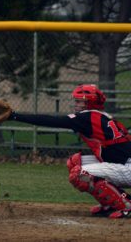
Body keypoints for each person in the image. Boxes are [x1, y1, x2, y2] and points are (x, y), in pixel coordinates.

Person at [7, 84, 131, 218]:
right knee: (74, 162)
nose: (76, 105)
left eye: (79, 101)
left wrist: (15, 116)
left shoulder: (86, 117)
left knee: (79, 174)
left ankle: (127, 204)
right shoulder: (103, 116)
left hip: (127, 168)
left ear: (89, 103)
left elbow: (52, 121)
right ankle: (109, 204)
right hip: (122, 163)